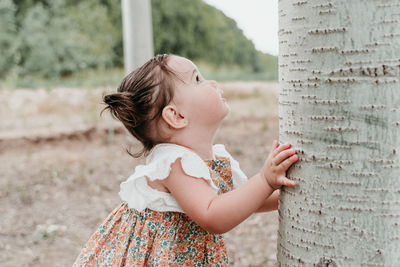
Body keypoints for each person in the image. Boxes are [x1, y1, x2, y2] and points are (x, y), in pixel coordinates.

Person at [73, 54, 298, 266]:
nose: (212, 83)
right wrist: (265, 180)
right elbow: (214, 216)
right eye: (198, 79)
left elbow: (243, 201)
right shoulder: (173, 162)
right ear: (177, 116)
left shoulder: (213, 158)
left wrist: (288, 192)